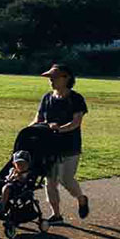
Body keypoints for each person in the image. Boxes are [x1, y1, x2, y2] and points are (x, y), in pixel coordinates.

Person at [35, 62, 89, 224]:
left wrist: (58, 129)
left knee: (66, 179)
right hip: (49, 146)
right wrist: (29, 130)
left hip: (69, 146)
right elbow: (38, 119)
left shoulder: (76, 99)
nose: (51, 80)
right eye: (50, 78)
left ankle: (81, 198)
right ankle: (56, 215)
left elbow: (76, 122)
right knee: (50, 180)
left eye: (55, 77)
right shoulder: (47, 98)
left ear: (67, 78)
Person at [0, 150, 34, 217]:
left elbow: (26, 182)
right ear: (14, 164)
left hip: (18, 189)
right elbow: (7, 178)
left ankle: (1, 205)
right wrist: (11, 177)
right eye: (19, 164)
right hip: (7, 184)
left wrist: (19, 178)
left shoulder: (27, 173)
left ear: (28, 164)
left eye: (23, 164)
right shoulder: (12, 170)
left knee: (7, 187)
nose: (21, 166)